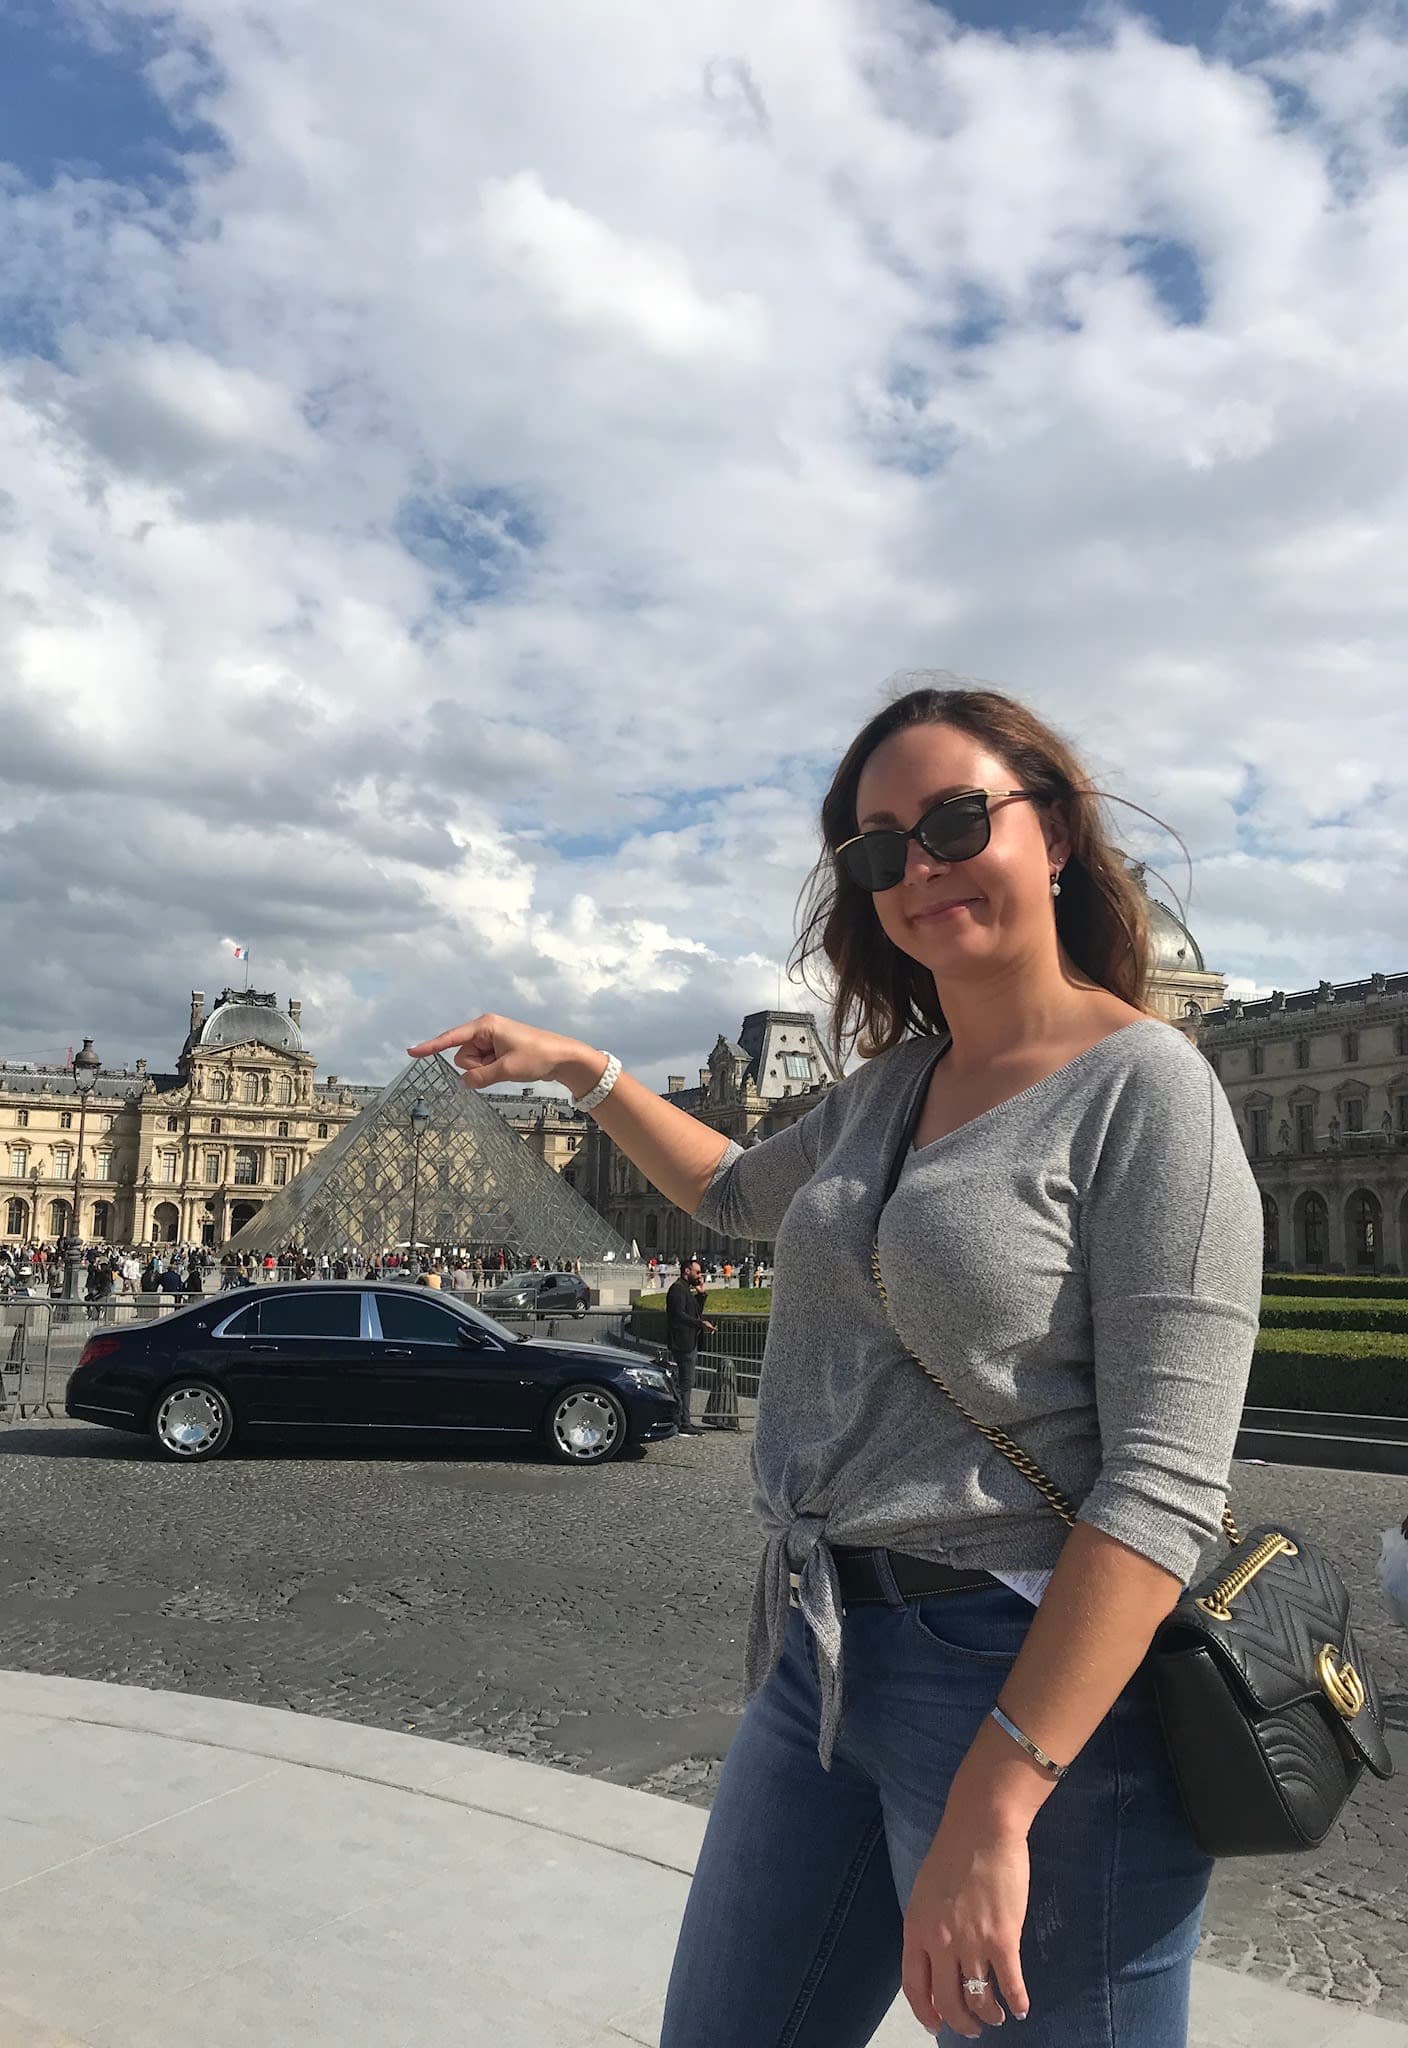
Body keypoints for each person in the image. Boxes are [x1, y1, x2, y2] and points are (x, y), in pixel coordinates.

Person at [407, 678, 1263, 2047]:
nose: (915, 868)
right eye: (876, 851)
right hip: (821, 1656)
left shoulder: (1149, 1089)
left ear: (1052, 831)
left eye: (953, 820)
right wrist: (582, 1069)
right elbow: (738, 1192)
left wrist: (1003, 1792)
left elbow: (1161, 1487)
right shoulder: (888, 1087)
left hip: (1033, 1685)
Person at [665, 1257, 714, 1435]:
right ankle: (683, 1422)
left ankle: (682, 1419)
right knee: (686, 1384)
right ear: (687, 1271)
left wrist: (701, 1294)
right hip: (683, 1343)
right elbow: (678, 1315)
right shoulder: (677, 1290)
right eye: (697, 1272)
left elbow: (694, 1312)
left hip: (688, 1341)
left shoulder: (685, 1289)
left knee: (686, 1383)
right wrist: (701, 1324)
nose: (699, 1276)